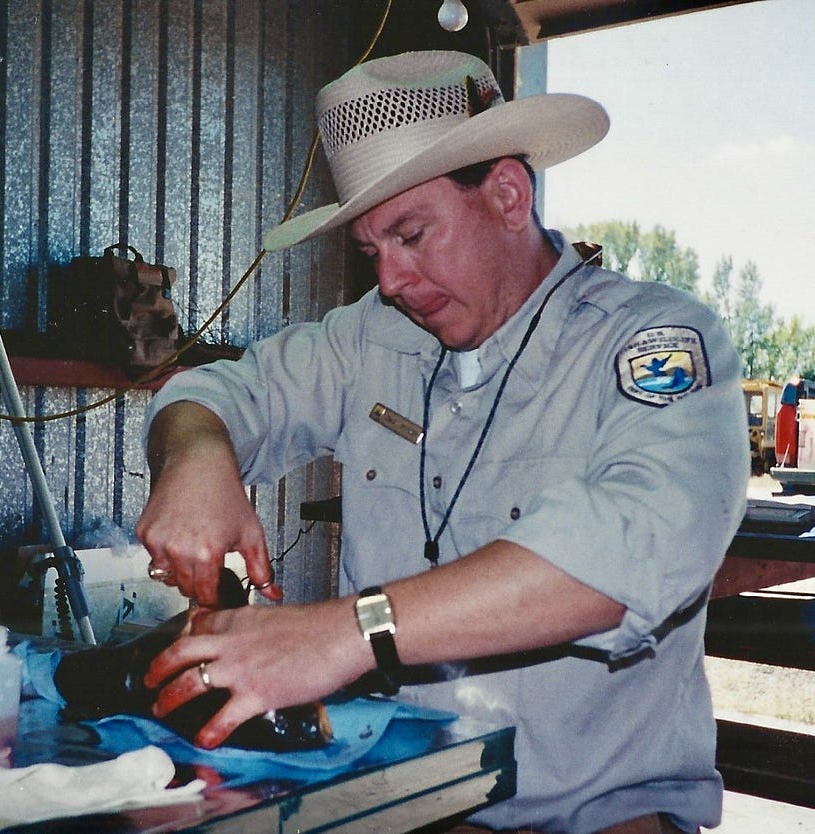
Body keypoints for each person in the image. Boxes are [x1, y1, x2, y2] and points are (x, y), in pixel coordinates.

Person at [134, 51, 749, 834]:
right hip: (397, 804)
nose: (390, 280)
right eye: (371, 252)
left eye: (412, 235)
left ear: (507, 195)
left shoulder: (651, 342)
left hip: (590, 817)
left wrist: (346, 633)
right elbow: (217, 394)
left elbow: (633, 549)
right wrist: (196, 459)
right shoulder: (371, 338)